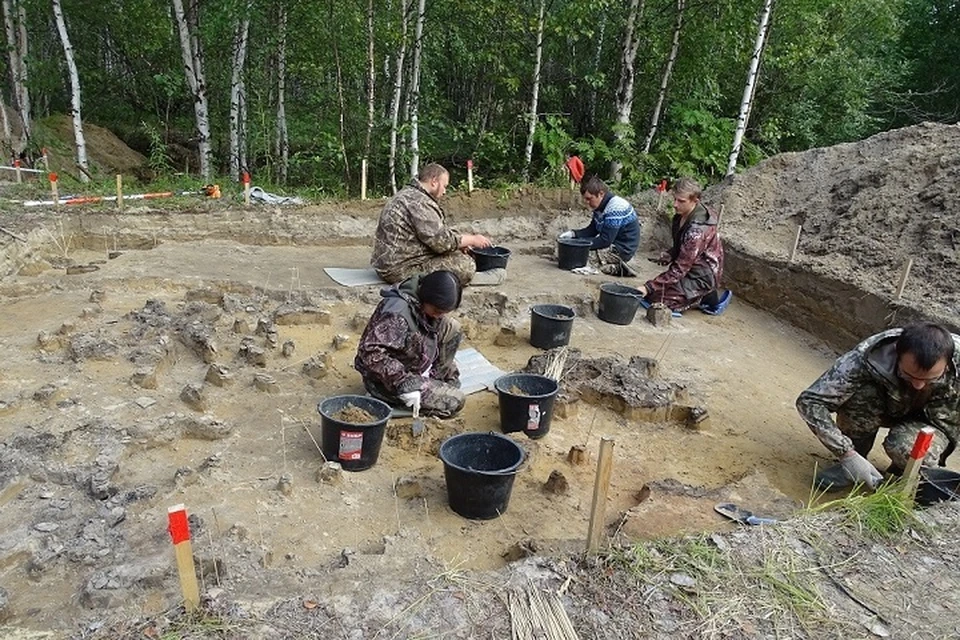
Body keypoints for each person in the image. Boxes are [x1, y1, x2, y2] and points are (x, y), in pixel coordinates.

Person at [796, 323, 960, 490]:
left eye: (930, 379)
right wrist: (846, 453)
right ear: (897, 354)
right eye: (909, 375)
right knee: (860, 394)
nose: (918, 385)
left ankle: (901, 473)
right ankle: (855, 461)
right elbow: (810, 401)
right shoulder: (868, 357)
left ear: (948, 364)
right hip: (885, 404)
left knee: (911, 452)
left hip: (934, 421)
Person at [355, 270, 466, 419]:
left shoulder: (423, 305)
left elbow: (438, 328)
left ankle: (434, 381)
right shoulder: (397, 315)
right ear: (426, 298)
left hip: (413, 362)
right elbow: (370, 353)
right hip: (387, 381)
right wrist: (404, 383)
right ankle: (396, 402)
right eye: (437, 310)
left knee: (452, 327)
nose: (439, 316)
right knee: (455, 401)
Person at [371, 163, 503, 286]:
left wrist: (458, 244)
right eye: (444, 186)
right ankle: (472, 279)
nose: (445, 191)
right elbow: (442, 242)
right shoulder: (419, 203)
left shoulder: (407, 195)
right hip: (399, 270)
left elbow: (432, 234)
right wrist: (473, 239)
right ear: (434, 181)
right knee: (464, 264)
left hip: (390, 264)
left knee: (456, 254)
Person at [637, 177, 729, 314]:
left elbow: (680, 269)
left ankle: (705, 296)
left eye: (681, 201)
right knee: (653, 295)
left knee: (661, 302)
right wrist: (671, 253)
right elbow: (683, 246)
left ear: (695, 201)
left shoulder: (697, 231)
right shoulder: (682, 215)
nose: (674, 204)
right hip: (692, 269)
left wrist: (648, 287)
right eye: (674, 199)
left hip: (701, 276)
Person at [558, 175, 641, 276]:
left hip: (621, 249)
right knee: (566, 252)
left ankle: (619, 268)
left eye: (589, 199)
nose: (587, 203)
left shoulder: (615, 208)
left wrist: (578, 244)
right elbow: (592, 230)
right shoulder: (600, 206)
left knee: (576, 258)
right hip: (612, 244)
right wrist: (573, 234)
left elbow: (605, 240)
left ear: (601, 194)